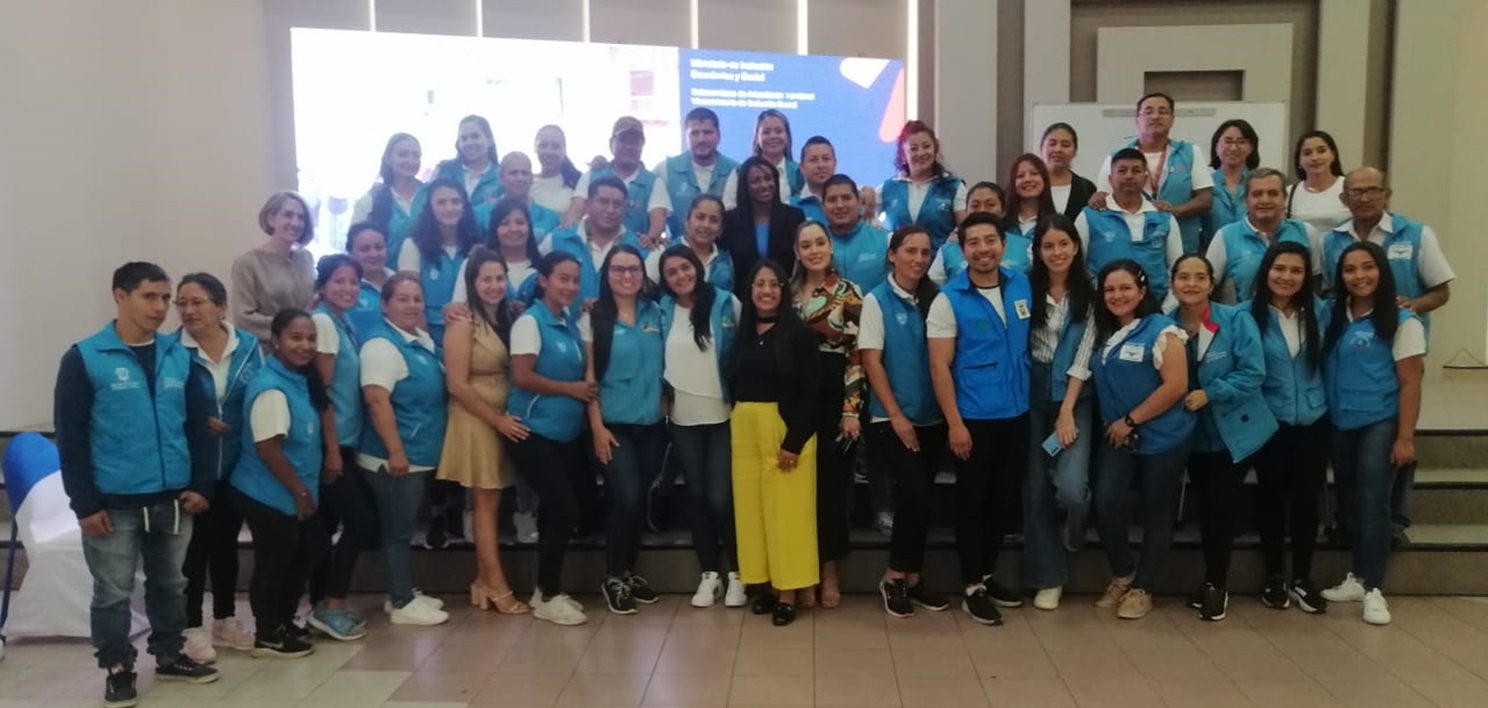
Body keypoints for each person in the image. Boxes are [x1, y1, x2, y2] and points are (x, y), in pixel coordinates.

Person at [55, 262, 220, 708]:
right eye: (151, 296)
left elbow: (199, 427)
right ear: (120, 296)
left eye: (166, 298)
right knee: (113, 592)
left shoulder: (178, 355)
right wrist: (84, 503)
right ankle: (117, 668)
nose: (162, 307)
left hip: (172, 498)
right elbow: (71, 437)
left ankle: (169, 655)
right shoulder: (85, 357)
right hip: (114, 501)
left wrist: (201, 484)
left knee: (170, 584)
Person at [1318, 167, 1453, 540]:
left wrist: (1412, 306)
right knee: (1356, 451)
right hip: (1352, 347)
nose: (1364, 197)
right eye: (1356, 192)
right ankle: (1352, 521)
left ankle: (1393, 521)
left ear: (1386, 194)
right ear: (1344, 198)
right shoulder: (1332, 241)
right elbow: (1330, 290)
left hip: (1401, 344)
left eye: (1372, 190)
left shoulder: (1417, 234)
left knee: (1397, 436)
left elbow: (1441, 290)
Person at [926, 212, 1031, 626]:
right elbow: (939, 367)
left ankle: (987, 575)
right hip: (973, 417)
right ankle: (971, 586)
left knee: (1004, 500)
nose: (983, 249)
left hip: (1017, 411)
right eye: (974, 242)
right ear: (962, 249)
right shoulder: (948, 298)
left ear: (1003, 244)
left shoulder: (1021, 284)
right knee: (972, 501)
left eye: (990, 240)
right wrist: (955, 423)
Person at [1319, 241, 1425, 626]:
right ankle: (1358, 577)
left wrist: (1405, 437)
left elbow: (1411, 383)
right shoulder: (1333, 315)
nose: (1359, 276)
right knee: (1350, 502)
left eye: (1368, 267)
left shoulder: (1402, 320)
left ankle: (1375, 589)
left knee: (1373, 503)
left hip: (1380, 422)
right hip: (1340, 421)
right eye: (1350, 269)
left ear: (1382, 271)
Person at [1169, 255, 1277, 622]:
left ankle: (1217, 584)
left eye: (1200, 277)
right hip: (1191, 436)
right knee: (1207, 505)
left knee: (1219, 505)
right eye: (1184, 277)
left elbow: (1253, 372)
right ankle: (1210, 580)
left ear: (1211, 284)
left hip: (1235, 432)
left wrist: (1211, 393)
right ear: (1172, 284)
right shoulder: (1165, 326)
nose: (1191, 284)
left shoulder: (1235, 320)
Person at [1088, 260, 1194, 620]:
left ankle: (1143, 587)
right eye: (1109, 290)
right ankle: (1123, 574)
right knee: (1104, 501)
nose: (1117, 295)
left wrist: (1131, 420)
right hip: (1120, 437)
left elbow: (1176, 386)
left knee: (1156, 511)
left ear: (1142, 291)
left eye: (1125, 288)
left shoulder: (1162, 330)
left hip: (1164, 436)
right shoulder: (1103, 332)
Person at [231, 308, 335, 659]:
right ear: (276, 340)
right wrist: (299, 491)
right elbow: (268, 449)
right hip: (268, 492)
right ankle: (268, 635)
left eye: (310, 338)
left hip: (293, 490)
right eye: (295, 337)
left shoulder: (299, 378)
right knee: (275, 562)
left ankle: (284, 621)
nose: (305, 345)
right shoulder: (271, 389)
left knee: (309, 551)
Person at [861, 226, 950, 618]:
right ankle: (894, 575)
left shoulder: (938, 298)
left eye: (925, 252)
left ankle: (913, 577)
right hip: (891, 417)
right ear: (892, 254)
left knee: (922, 500)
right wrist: (896, 415)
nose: (918, 259)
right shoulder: (876, 300)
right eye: (910, 251)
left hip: (933, 418)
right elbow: (871, 361)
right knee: (914, 495)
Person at [175, 273, 263, 663]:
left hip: (238, 463)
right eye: (182, 303)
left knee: (226, 543)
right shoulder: (172, 351)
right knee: (193, 550)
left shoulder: (248, 346)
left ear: (221, 306)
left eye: (198, 302)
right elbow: (165, 404)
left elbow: (260, 393)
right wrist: (196, 420)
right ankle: (190, 625)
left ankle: (225, 618)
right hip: (194, 466)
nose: (189, 311)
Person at [438, 248, 531, 615]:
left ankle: (482, 580)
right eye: (486, 279)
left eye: (499, 278)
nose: (493, 286)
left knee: (492, 502)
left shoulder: (507, 316)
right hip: (477, 418)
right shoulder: (463, 321)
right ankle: (496, 584)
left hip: (502, 416)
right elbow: (457, 385)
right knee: (485, 504)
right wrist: (496, 420)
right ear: (472, 283)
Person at [508, 252, 598, 626]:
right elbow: (521, 376)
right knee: (564, 508)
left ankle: (545, 589)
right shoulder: (530, 322)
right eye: (563, 278)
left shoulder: (568, 322)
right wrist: (570, 389)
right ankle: (548, 595)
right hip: (533, 432)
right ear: (543, 280)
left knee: (557, 510)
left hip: (566, 433)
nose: (570, 286)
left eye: (575, 279)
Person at [730, 260, 822, 627]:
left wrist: (794, 441)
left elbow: (812, 391)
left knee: (788, 515)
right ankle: (766, 584)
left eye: (774, 284)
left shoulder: (799, 334)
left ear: (784, 290)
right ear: (750, 291)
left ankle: (789, 591)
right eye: (759, 284)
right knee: (752, 512)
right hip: (745, 428)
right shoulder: (744, 332)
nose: (766, 291)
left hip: (785, 429)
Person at [655, 246, 747, 608]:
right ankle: (710, 574)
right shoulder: (661, 309)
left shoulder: (726, 302)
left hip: (723, 415)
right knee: (696, 497)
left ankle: (738, 573)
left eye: (685, 267)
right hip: (683, 419)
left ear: (697, 267)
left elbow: (745, 350)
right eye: (671, 272)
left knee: (721, 498)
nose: (680, 276)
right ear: (665, 280)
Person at [358, 273, 451, 626]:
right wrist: (396, 451)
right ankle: (400, 601)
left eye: (417, 299)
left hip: (419, 452)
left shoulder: (420, 340)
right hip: (394, 458)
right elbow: (376, 400)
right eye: (402, 299)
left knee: (405, 526)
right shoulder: (381, 346)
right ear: (385, 304)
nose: (412, 305)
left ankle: (403, 590)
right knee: (397, 531)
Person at [579, 245, 667, 615]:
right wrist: (596, 427)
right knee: (625, 497)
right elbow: (589, 380)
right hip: (613, 426)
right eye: (618, 269)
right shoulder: (593, 318)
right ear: (607, 274)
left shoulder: (656, 313)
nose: (627, 276)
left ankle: (628, 572)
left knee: (637, 500)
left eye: (633, 269)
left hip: (651, 426)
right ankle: (613, 576)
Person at [1248, 241, 1332, 614]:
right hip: (1270, 420)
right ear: (1266, 271)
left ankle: (1302, 576)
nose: (1287, 277)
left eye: (1296, 270)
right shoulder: (1245, 315)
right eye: (1279, 268)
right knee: (1271, 497)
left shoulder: (1322, 312)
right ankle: (1273, 576)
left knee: (1306, 499)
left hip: (1314, 419)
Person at [1021, 215, 1097, 612]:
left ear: (1076, 246)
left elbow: (1085, 353)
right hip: (1032, 395)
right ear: (1037, 251)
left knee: (1070, 489)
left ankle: (1076, 526)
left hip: (1074, 395)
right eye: (1048, 246)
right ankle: (1049, 578)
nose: (1056, 252)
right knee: (1035, 489)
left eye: (1063, 244)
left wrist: (1066, 410)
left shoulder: (1092, 289)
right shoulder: (1024, 287)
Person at [791, 222, 865, 610]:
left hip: (833, 393)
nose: (814, 250)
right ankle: (802, 571)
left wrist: (850, 410)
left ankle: (829, 569)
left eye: (820, 242)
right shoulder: (786, 293)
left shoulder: (848, 291)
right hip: (792, 399)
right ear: (797, 251)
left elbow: (857, 355)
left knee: (832, 489)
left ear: (830, 246)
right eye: (806, 245)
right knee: (797, 490)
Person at [306, 255, 378, 640]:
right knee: (361, 521)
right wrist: (331, 450)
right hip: (328, 443)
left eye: (353, 281)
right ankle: (331, 604)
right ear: (322, 285)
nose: (347, 288)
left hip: (346, 439)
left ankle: (323, 602)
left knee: (327, 527)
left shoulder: (341, 321)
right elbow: (322, 394)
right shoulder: (323, 323)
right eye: (339, 281)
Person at [1093, 93, 1214, 254]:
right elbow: (1102, 199)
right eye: (1148, 111)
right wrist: (1097, 198)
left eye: (1162, 111)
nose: (1155, 116)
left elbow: (1205, 199)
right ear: (1137, 119)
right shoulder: (1117, 157)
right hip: (1130, 247)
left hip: (1182, 246)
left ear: (1172, 119)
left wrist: (1175, 211)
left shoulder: (1190, 152)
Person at [1076, 148, 1184, 303]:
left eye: (1136, 171)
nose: (1129, 176)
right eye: (1122, 171)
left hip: (1155, 307)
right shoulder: (1089, 216)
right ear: (1110, 178)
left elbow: (1178, 269)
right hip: (1103, 305)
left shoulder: (1164, 217)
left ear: (1145, 178)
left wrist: (1167, 309)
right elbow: (1077, 267)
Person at [1204, 168, 1318, 304]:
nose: (1265, 200)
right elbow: (1206, 287)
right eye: (1257, 194)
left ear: (1284, 198)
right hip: (1241, 316)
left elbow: (1316, 283)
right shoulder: (1225, 237)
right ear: (1246, 200)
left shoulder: (1305, 232)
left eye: (1273, 193)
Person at [398, 178, 481, 346]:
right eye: (441, 202)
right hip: (428, 336)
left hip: (472, 334)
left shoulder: (477, 246)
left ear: (465, 206)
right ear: (430, 207)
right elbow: (409, 301)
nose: (449, 208)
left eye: (455, 201)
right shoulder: (413, 246)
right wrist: (428, 344)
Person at [566, 116, 671, 246]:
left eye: (635, 142)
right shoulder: (592, 175)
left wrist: (649, 241)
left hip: (634, 253)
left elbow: (658, 222)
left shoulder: (653, 182)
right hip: (592, 249)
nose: (629, 147)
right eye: (623, 140)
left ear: (642, 145)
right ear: (611, 143)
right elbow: (574, 215)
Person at [544, 175, 645, 306]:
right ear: (587, 204)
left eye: (617, 204)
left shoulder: (641, 246)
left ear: (625, 209)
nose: (610, 210)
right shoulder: (556, 240)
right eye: (603, 202)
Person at [231, 191, 317, 346]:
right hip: (268, 351)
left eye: (301, 217)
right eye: (288, 215)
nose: (295, 223)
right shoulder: (248, 263)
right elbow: (243, 318)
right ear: (271, 219)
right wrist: (292, 330)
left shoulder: (306, 258)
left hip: (306, 350)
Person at [721, 156, 807, 296]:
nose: (764, 185)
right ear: (745, 186)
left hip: (786, 295)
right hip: (743, 298)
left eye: (768, 178)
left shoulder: (794, 217)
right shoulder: (730, 221)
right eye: (756, 181)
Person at [878, 120, 967, 253]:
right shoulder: (888, 187)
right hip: (898, 263)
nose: (921, 153)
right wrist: (867, 191)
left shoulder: (953, 186)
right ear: (903, 154)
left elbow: (966, 230)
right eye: (913, 149)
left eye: (926, 146)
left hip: (941, 264)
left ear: (935, 149)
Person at [657, 107, 739, 238]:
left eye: (707, 132)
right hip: (678, 249)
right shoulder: (665, 169)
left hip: (723, 249)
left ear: (719, 136)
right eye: (694, 133)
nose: (701, 139)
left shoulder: (736, 171)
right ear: (685, 137)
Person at [351, 133, 425, 261]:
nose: (410, 160)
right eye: (403, 154)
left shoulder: (433, 196)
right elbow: (355, 247)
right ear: (388, 159)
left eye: (416, 155)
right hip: (385, 273)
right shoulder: (370, 200)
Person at [646, 194, 735, 292]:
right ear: (687, 220)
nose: (706, 225)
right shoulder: (663, 251)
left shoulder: (725, 260)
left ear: (721, 228)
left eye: (714, 220)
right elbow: (644, 292)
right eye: (700, 217)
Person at [721, 109, 804, 210]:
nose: (773, 136)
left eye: (778, 131)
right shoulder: (739, 173)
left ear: (787, 135)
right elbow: (728, 209)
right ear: (757, 137)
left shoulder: (799, 173)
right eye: (766, 132)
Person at [928, 181, 1006, 285]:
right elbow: (932, 287)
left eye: (990, 205)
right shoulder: (948, 249)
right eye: (975, 205)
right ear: (966, 210)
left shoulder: (1023, 246)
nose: (982, 210)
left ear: (1003, 210)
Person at [822, 175, 891, 291]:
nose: (840, 205)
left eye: (846, 198)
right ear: (823, 206)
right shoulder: (817, 246)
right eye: (832, 200)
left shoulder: (886, 241)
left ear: (859, 202)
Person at [474, 152, 561, 240]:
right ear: (501, 178)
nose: (520, 178)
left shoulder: (550, 218)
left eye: (525, 173)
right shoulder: (481, 214)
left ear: (532, 178)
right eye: (513, 173)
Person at [1204, 119, 1259, 245]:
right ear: (1216, 147)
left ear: (1251, 148)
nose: (1234, 148)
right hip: (1212, 251)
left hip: (1254, 250)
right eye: (1227, 141)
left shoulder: (1260, 184)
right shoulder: (1205, 185)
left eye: (1241, 142)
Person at [1001, 154, 1058, 272]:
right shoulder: (1000, 223)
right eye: (1020, 176)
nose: (1027, 179)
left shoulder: (1056, 224)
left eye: (1034, 173)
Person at [1286, 130, 1350, 234]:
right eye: (1307, 153)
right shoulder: (1289, 193)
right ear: (1299, 160)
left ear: (1333, 155)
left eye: (1321, 151)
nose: (1315, 158)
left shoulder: (1348, 186)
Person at [433, 115, 501, 208]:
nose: (469, 143)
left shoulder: (501, 177)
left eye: (475, 137)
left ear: (490, 140)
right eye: (464, 138)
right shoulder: (443, 171)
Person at [346, 222, 397, 337]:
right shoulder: (343, 289)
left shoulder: (399, 282)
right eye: (364, 249)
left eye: (379, 247)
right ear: (350, 252)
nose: (373, 254)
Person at [1040, 123, 1099, 220]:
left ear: (1075, 151)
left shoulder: (1087, 188)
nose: (1058, 149)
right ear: (1041, 148)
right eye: (1052, 144)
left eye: (1065, 145)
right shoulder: (1029, 186)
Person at [531, 124, 583, 214]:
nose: (549, 151)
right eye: (543, 145)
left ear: (564, 150)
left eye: (556, 146)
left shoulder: (579, 182)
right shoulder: (524, 183)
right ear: (535, 148)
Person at [792, 136, 839, 224]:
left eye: (826, 159)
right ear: (802, 167)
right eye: (813, 160)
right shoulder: (790, 207)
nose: (821, 165)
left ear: (835, 163)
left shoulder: (854, 201)